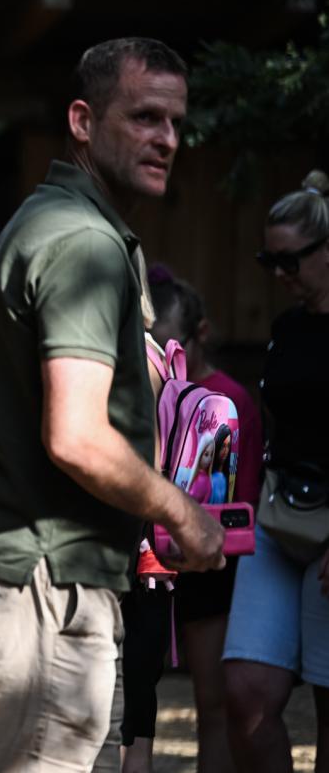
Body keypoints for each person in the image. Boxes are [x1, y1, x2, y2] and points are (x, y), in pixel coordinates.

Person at [0, 37, 225, 773]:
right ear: (82, 120)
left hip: (29, 575)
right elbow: (76, 436)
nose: (166, 138)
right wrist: (182, 512)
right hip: (40, 581)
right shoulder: (82, 243)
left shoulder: (58, 222)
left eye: (175, 122)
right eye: (144, 117)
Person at [120, 268, 263, 773]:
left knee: (194, 696)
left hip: (164, 551)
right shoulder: (216, 394)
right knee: (176, 697)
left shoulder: (138, 371)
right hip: (193, 546)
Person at [223, 169, 329, 772]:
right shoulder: (287, 326)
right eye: (272, 261)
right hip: (280, 509)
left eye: (292, 261)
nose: (282, 275)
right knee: (247, 693)